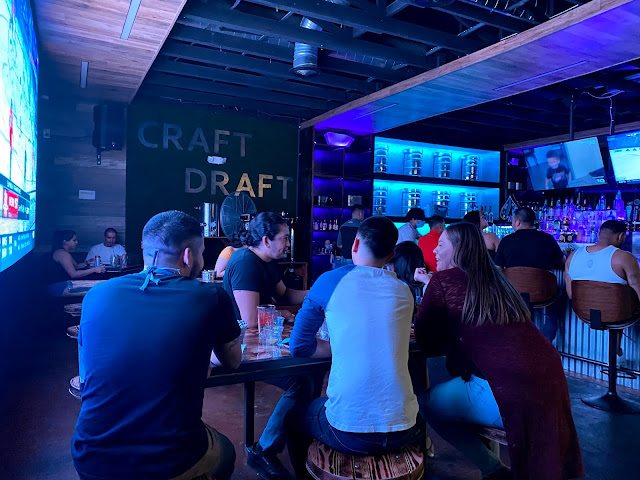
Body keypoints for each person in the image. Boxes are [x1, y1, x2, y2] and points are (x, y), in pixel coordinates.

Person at [71, 210, 242, 480]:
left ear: (145, 248)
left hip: (90, 459)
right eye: (201, 253)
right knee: (227, 450)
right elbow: (232, 361)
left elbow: (88, 375)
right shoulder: (210, 296)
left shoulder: (96, 295)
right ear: (188, 256)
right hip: (169, 461)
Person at [414, 222, 584, 480]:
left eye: (441, 244)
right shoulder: (499, 279)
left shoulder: (443, 281)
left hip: (509, 395)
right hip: (552, 395)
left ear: (459, 249)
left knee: (426, 404)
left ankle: (493, 470)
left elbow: (426, 339)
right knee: (467, 382)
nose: (435, 250)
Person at [285, 216, 422, 479]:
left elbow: (299, 346)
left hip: (348, 430)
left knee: (292, 418)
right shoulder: (404, 290)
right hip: (405, 426)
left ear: (355, 244)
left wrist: (342, 345)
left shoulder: (329, 281)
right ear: (391, 255)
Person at [223, 212, 315, 480]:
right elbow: (250, 320)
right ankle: (264, 449)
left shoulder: (269, 262)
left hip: (263, 340)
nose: (288, 243)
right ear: (266, 240)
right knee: (302, 379)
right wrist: (281, 314)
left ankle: (292, 435)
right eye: (284, 238)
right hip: (242, 348)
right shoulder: (245, 263)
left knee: (311, 370)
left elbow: (286, 295)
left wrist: (319, 291)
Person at [566, 220, 640, 357]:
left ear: (598, 234)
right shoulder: (624, 257)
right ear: (621, 236)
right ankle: (616, 351)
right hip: (619, 314)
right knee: (621, 303)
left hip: (583, 313)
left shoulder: (572, 256)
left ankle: (614, 350)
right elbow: (637, 290)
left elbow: (571, 294)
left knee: (618, 301)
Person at [494, 206, 566, 341]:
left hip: (514, 295)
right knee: (560, 294)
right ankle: (547, 335)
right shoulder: (547, 239)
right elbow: (564, 263)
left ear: (518, 222)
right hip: (543, 294)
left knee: (522, 296)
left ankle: (520, 334)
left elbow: (497, 270)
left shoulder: (506, 241)